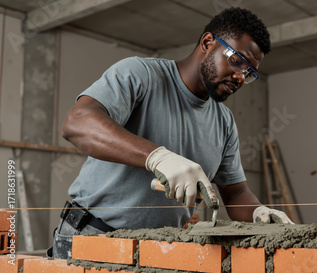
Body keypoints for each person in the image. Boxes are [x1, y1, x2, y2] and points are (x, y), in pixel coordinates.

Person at [48, 7, 293, 259]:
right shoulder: (140, 74)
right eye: (237, 60)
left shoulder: (224, 122)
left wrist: (259, 212)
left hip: (161, 248)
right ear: (208, 42)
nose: (240, 77)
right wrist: (157, 157)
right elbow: (77, 122)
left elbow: (236, 193)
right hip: (92, 235)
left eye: (249, 73)